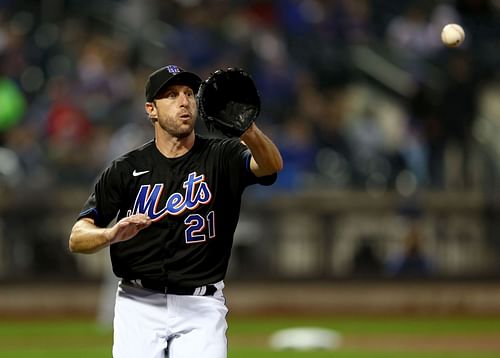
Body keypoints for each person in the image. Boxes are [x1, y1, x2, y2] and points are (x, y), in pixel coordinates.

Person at [68, 64, 283, 358]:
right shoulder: (125, 169)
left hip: (201, 307)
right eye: (170, 95)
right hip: (138, 303)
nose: (184, 101)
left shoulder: (223, 155)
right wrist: (109, 234)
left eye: (189, 94)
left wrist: (249, 131)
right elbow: (77, 237)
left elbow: (271, 166)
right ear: (151, 110)